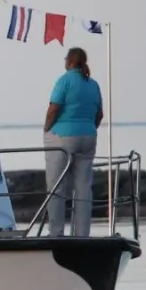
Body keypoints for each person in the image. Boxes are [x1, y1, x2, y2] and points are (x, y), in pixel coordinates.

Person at [43, 47, 103, 236]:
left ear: (68, 61)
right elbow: (99, 115)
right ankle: (82, 234)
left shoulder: (64, 81)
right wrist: (88, 128)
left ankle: (56, 232)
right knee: (84, 186)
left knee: (56, 185)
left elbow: (53, 109)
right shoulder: (93, 84)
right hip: (88, 137)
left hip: (62, 137)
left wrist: (46, 129)